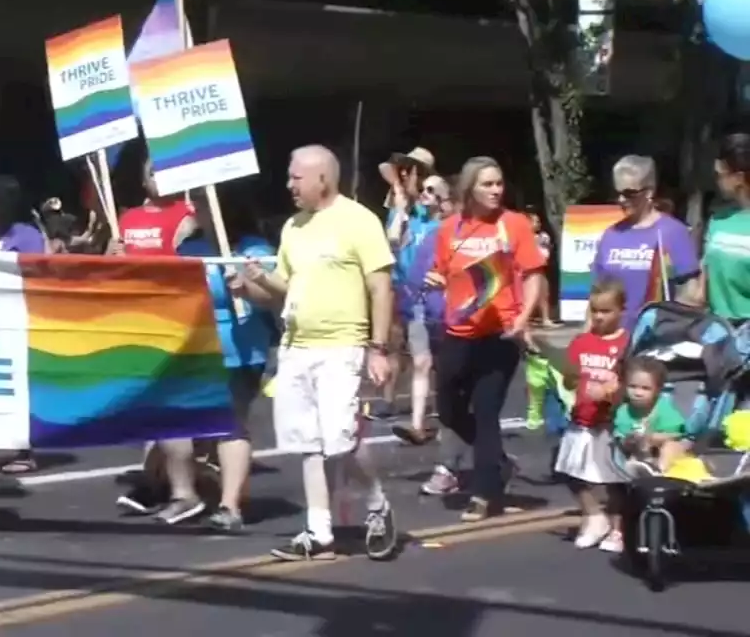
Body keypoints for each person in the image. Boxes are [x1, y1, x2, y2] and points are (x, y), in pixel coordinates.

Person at [229, 145, 398, 561]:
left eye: (296, 178)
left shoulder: (359, 221)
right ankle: (317, 530)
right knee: (308, 442)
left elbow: (380, 288)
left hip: (343, 347)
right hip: (296, 347)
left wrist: (378, 349)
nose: (289, 185)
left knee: (342, 439)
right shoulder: (293, 228)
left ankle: (377, 506)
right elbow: (283, 291)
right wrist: (250, 285)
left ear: (323, 178)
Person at [423, 156, 545, 521]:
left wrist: (523, 319)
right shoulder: (451, 229)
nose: (496, 190)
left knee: (487, 411)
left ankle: (485, 492)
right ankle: (498, 463)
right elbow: (442, 272)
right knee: (448, 409)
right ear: (469, 189)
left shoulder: (515, 225)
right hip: (457, 333)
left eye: (499, 183)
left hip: (500, 334)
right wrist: (435, 281)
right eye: (487, 184)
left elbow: (535, 274)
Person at [109, 158, 206, 524]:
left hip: (171, 319)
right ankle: (158, 484)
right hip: (134, 323)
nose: (158, 179)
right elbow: (108, 267)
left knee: (169, 411)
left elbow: (190, 258)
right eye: (151, 172)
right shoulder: (127, 218)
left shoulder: (188, 213)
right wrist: (111, 255)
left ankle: (186, 492)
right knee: (150, 412)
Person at [176, 187, 276, 532]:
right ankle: (185, 492)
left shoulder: (254, 249)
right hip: (195, 348)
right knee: (184, 425)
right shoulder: (190, 249)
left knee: (230, 424)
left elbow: (273, 296)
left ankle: (229, 506)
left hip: (240, 350)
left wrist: (247, 287)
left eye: (201, 201)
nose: (193, 207)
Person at [553, 278, 629, 551]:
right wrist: (569, 378)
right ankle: (595, 515)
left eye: (606, 311)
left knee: (614, 480)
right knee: (569, 472)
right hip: (581, 418)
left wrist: (611, 390)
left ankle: (618, 530)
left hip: (610, 421)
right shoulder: (582, 341)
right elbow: (570, 378)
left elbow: (632, 383)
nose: (598, 316)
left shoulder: (626, 344)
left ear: (622, 310)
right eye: (595, 310)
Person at [0, 175, 48, 475]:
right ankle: (9, 444)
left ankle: (26, 451)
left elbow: (37, 273)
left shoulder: (27, 235)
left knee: (19, 382)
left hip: (18, 317)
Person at [591, 155, 698, 330]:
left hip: (655, 338)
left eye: (629, 193)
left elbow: (690, 292)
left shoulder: (672, 231)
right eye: (617, 193)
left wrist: (675, 329)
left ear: (649, 192)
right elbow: (596, 293)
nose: (621, 200)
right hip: (612, 337)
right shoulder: (611, 235)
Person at [391, 179, 455, 446]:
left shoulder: (448, 227)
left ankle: (450, 421)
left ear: (443, 198)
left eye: (431, 190)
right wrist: (399, 207)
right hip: (415, 300)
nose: (424, 194)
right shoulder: (412, 222)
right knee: (421, 362)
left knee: (446, 368)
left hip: (444, 302)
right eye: (423, 189)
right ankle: (417, 425)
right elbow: (393, 240)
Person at [702, 133, 750, 325]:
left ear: (738, 178)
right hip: (718, 334)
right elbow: (701, 289)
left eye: (719, 174)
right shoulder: (718, 220)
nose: (716, 181)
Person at [615, 357, 686, 477]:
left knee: (672, 447)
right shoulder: (623, 411)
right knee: (628, 452)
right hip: (638, 452)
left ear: (658, 390)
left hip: (664, 451)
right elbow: (621, 438)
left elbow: (677, 435)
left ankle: (659, 470)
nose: (638, 393)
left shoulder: (663, 409)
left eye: (645, 388)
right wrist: (629, 440)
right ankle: (642, 468)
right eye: (633, 386)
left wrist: (652, 438)